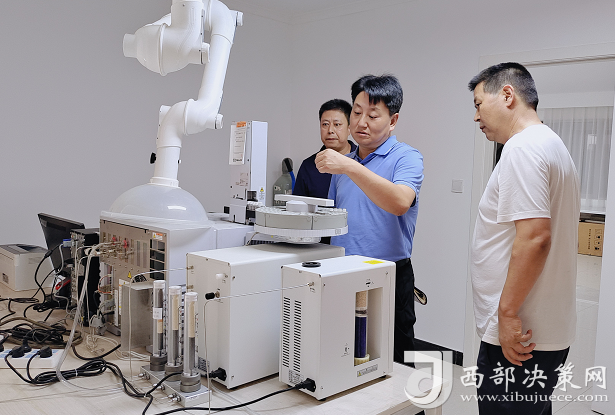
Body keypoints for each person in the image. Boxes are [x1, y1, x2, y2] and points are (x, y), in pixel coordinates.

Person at [469, 62, 580, 414]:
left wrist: (506, 314)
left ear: (507, 95)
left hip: (521, 335)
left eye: (478, 104)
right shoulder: (553, 145)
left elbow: (535, 238)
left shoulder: (523, 148)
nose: (476, 116)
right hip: (543, 331)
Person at [315, 75, 424, 363]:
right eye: (357, 112)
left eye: (373, 115)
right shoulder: (345, 164)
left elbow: (400, 202)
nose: (361, 122)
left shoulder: (407, 157)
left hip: (389, 272)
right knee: (344, 352)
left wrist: (349, 166)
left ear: (393, 120)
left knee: (396, 357)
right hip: (343, 269)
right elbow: (333, 218)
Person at [293, 99, 357, 199]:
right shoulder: (308, 166)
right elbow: (298, 205)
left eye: (337, 124)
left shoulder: (364, 161)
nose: (330, 130)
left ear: (350, 128)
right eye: (325, 124)